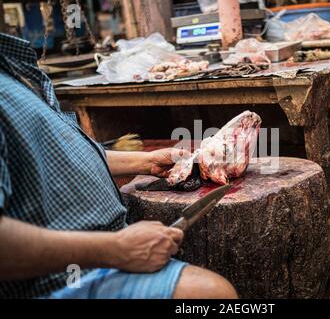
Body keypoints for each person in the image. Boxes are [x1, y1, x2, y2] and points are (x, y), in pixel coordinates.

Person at [0, 32, 237, 299]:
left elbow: (53, 157)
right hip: (60, 278)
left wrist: (146, 162)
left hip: (101, 247)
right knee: (212, 294)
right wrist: (116, 248)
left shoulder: (10, 65)